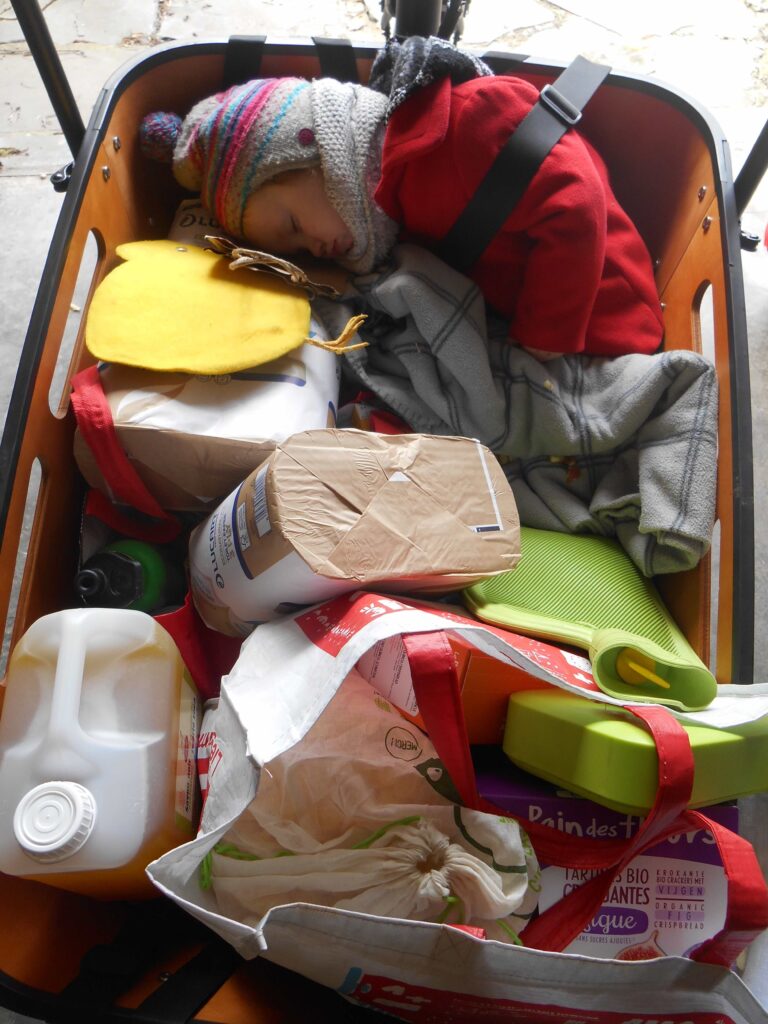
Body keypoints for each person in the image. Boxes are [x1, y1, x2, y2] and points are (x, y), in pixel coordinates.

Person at [140, 57, 664, 360]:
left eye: (295, 226)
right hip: (516, 320)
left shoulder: (468, 124)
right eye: (296, 248)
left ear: (319, 151)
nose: (313, 249)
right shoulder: (387, 208)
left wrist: (544, 341)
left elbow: (578, 201)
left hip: (604, 329)